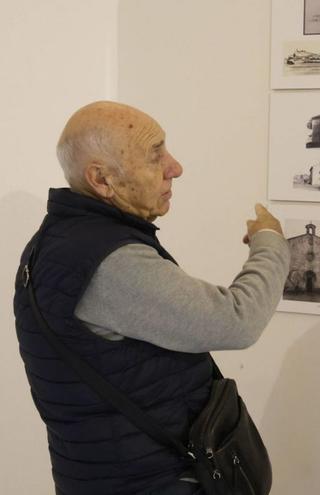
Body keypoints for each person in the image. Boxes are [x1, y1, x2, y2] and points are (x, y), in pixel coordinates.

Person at [13, 101, 291, 495]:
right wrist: (271, 243)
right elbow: (237, 320)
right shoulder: (110, 262)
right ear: (102, 180)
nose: (175, 167)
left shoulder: (55, 241)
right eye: (155, 155)